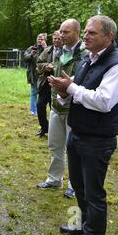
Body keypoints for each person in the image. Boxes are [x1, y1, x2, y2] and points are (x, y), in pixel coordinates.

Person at [49, 15, 118, 235]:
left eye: (92, 32)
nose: (86, 36)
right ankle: (82, 225)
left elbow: (104, 102)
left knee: (94, 193)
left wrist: (71, 88)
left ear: (109, 36)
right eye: (86, 32)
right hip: (78, 133)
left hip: (98, 139)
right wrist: (63, 92)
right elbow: (75, 90)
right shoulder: (87, 59)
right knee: (80, 188)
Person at [37, 21, 84, 199]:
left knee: (73, 148)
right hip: (56, 105)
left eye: (66, 32)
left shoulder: (85, 53)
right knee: (55, 144)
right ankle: (54, 178)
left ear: (77, 32)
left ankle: (74, 184)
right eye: (61, 32)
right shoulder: (59, 52)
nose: (62, 35)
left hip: (75, 108)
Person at [35, 31, 63, 137]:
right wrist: (46, 66)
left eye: (59, 38)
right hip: (46, 83)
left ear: (62, 39)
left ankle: (54, 130)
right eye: (54, 38)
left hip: (59, 84)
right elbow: (38, 64)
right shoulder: (47, 50)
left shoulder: (66, 51)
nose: (56, 40)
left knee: (54, 108)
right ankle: (44, 127)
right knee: (40, 105)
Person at [23, 34, 46, 116]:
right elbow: (25, 58)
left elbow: (52, 59)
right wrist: (31, 54)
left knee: (43, 93)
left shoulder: (47, 49)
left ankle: (40, 110)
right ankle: (33, 110)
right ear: (36, 39)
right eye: (38, 39)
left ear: (45, 40)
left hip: (44, 75)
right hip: (33, 74)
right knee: (33, 92)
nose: (40, 40)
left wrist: (45, 48)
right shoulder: (31, 48)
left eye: (42, 39)